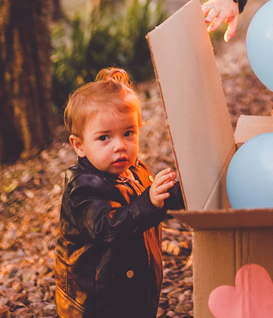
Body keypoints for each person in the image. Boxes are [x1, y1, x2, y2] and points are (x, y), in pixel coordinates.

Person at [54, 68, 184, 318]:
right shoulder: (82, 189)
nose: (120, 146)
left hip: (132, 291)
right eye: (104, 137)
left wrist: (179, 193)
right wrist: (149, 202)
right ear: (79, 146)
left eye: (128, 133)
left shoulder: (135, 171)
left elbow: (157, 205)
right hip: (96, 304)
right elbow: (107, 228)